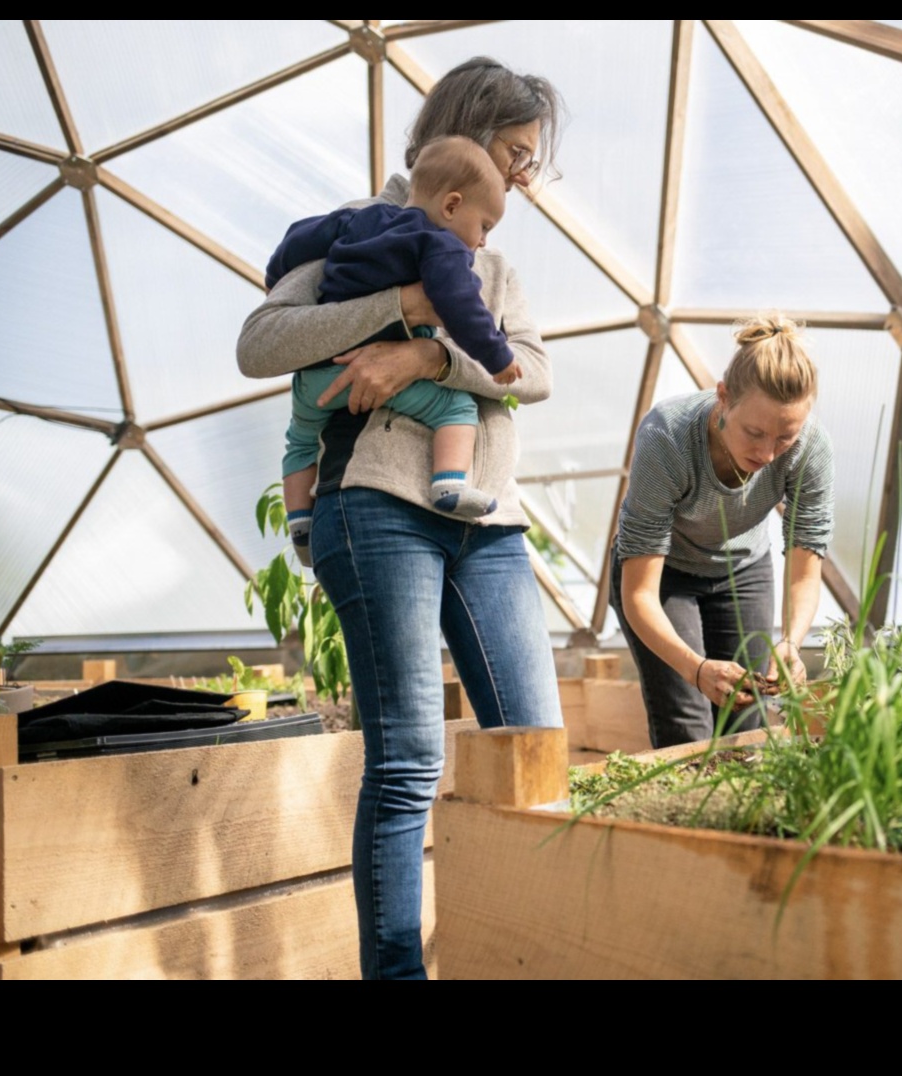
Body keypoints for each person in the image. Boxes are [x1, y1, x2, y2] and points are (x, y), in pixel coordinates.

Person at [236, 56, 565, 980]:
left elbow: (531, 372)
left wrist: (426, 363)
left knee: (532, 746)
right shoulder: (352, 234)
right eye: (515, 153)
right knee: (411, 760)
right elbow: (260, 343)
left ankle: (523, 955)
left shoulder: (491, 256)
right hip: (378, 508)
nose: (526, 176)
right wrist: (400, 307)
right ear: (463, 139)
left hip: (487, 522)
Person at [268, 136, 525, 563]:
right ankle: (449, 486)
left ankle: (299, 521)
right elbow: (461, 307)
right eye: (484, 226)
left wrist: (276, 275)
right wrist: (497, 356)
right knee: (457, 409)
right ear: (451, 206)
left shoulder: (360, 220)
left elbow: (300, 237)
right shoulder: (441, 246)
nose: (481, 242)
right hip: (377, 375)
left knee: (299, 440)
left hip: (316, 375)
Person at [610, 314, 833, 749]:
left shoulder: (811, 448)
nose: (768, 453)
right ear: (724, 398)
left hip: (744, 570)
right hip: (663, 576)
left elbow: (806, 565)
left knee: (747, 725)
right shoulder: (668, 437)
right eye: (755, 433)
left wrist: (790, 641)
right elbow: (639, 593)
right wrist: (695, 668)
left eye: (784, 437)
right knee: (687, 726)